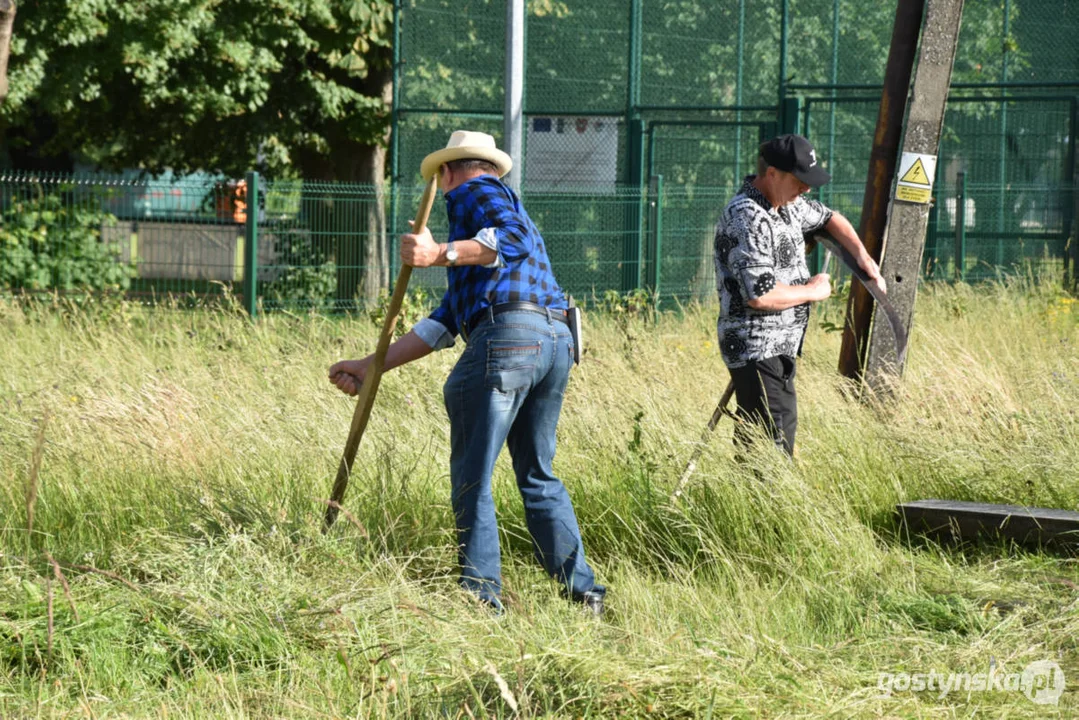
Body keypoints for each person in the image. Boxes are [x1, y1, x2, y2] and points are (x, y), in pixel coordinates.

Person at [328, 130, 605, 615]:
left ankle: (482, 602)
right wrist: (371, 367)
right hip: (554, 341)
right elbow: (446, 322)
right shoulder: (491, 229)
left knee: (474, 479)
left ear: (449, 172)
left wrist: (440, 253)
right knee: (538, 477)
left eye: (441, 178)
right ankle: (584, 594)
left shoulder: (477, 191)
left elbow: (509, 240)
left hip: (508, 340)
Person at [713, 134, 886, 457]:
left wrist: (863, 257)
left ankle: (745, 502)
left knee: (759, 440)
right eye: (799, 180)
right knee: (774, 443)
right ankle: (767, 504)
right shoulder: (748, 216)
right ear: (772, 174)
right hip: (756, 344)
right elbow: (760, 296)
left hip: (778, 345)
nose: (806, 189)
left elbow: (831, 218)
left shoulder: (787, 205)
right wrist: (813, 291)